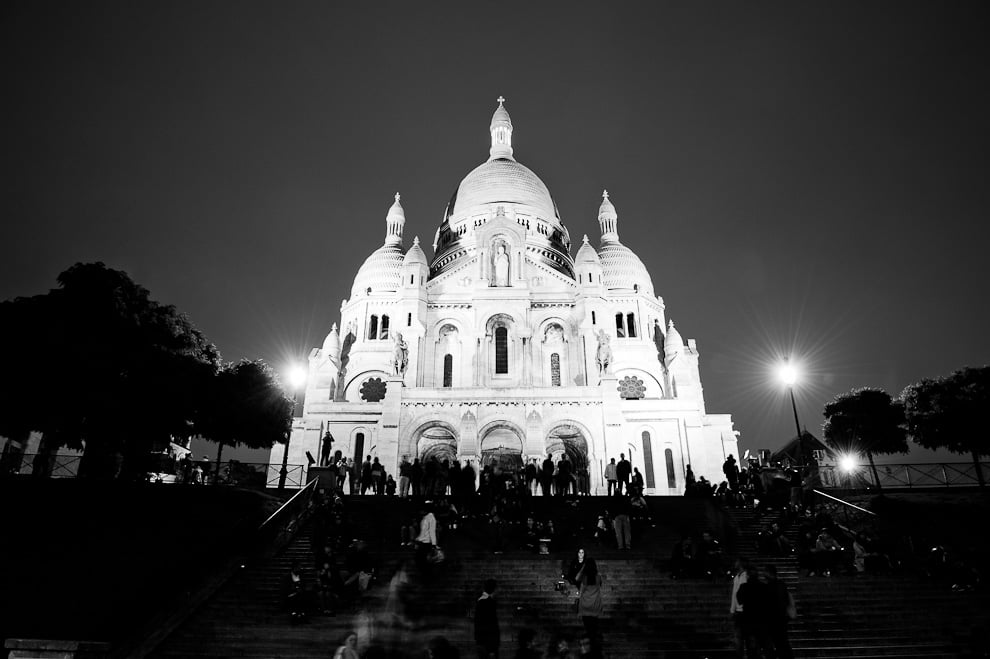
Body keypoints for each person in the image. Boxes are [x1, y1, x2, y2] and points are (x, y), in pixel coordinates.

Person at [575, 550, 604, 653]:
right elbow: (600, 584)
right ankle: (594, 648)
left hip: (585, 606)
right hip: (595, 606)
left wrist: (583, 567)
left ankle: (589, 648)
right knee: (594, 629)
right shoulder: (598, 577)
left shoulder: (584, 578)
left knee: (588, 629)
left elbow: (576, 578)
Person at [765, 565, 795, 659]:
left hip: (774, 619)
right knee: (783, 643)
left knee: (779, 643)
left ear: (769, 573)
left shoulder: (770, 586)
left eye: (765, 572)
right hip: (782, 618)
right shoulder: (781, 584)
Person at [475, 578, 500, 659]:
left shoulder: (484, 601)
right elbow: (489, 625)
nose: (499, 590)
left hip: (484, 643)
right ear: (494, 589)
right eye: (497, 588)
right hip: (488, 644)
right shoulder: (487, 602)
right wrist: (491, 648)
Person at [729, 559, 749, 657]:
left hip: (744, 611)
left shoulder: (745, 576)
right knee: (738, 638)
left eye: (737, 562)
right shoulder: (737, 577)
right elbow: (734, 594)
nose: (735, 563)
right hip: (738, 611)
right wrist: (732, 610)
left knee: (744, 638)